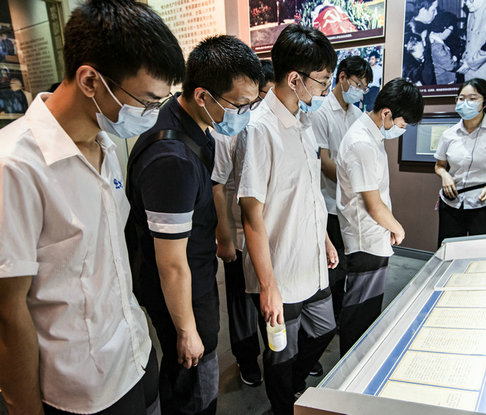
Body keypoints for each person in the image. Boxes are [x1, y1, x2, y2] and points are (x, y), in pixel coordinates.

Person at [0, 1, 184, 414]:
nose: (152, 116)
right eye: (147, 102)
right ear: (90, 81)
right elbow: (8, 313)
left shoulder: (105, 145)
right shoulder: (14, 166)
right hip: (82, 387)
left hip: (135, 355)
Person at [125, 35, 262, 414]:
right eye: (239, 105)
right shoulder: (172, 158)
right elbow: (170, 263)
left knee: (187, 372)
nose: (245, 114)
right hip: (180, 284)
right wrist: (187, 329)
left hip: (194, 270)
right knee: (194, 375)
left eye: (252, 104)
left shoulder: (188, 121)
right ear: (202, 96)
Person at [235, 24, 339, 415]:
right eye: (323, 81)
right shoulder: (260, 129)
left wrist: (325, 239)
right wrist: (268, 286)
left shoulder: (304, 122)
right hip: (278, 266)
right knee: (281, 350)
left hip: (310, 257)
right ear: (295, 79)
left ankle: (294, 387)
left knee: (325, 327)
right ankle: (283, 407)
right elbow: (251, 216)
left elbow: (308, 193)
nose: (326, 89)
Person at [336, 78, 424, 356]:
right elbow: (373, 205)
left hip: (373, 233)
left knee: (368, 307)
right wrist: (398, 228)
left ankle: (360, 359)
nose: (402, 129)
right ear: (386, 113)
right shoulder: (361, 143)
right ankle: (351, 367)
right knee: (359, 311)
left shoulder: (370, 135)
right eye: (402, 124)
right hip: (365, 238)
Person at [210, 59, 273, 389]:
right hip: (236, 230)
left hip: (264, 231)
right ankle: (247, 359)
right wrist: (225, 236)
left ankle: (275, 353)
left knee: (266, 294)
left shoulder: (271, 126)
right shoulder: (229, 129)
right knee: (240, 303)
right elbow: (218, 184)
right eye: (262, 96)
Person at [309, 55, 372, 325]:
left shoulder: (357, 116)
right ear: (342, 77)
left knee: (348, 262)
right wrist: (354, 184)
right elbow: (324, 162)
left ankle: (342, 313)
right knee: (332, 265)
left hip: (351, 204)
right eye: (358, 84)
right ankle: (331, 317)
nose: (360, 91)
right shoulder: (321, 111)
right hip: (329, 202)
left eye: (365, 87)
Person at [434, 78, 486, 247]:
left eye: (472, 98)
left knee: (480, 250)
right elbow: (439, 166)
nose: (466, 103)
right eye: (461, 98)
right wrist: (445, 176)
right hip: (452, 201)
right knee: (448, 249)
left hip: (484, 202)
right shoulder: (449, 134)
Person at [405, 0, 438, 85]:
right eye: (433, 10)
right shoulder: (412, 31)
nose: (436, 13)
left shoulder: (423, 28)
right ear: (423, 10)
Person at [429, 12, 459, 85]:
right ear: (444, 28)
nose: (450, 33)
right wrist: (461, 63)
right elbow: (450, 66)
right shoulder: (437, 46)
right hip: (444, 82)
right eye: (451, 30)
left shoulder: (434, 40)